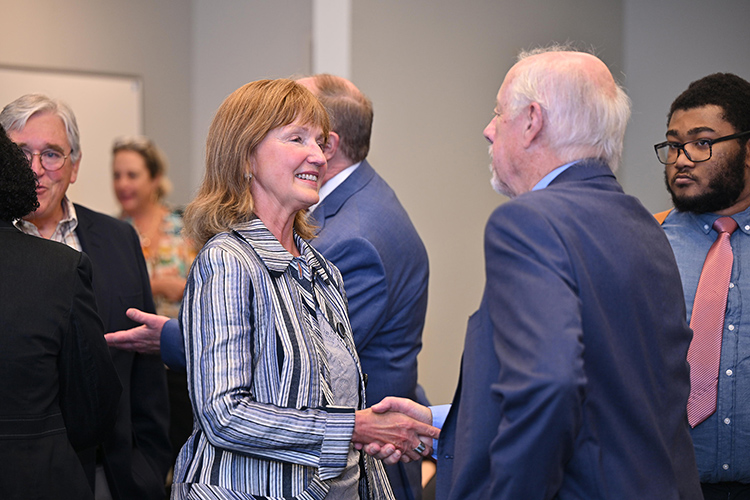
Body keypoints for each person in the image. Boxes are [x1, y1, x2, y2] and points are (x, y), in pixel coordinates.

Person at [372, 46, 703, 499]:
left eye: (497, 113)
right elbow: (616, 392)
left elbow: (551, 385)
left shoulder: (529, 222)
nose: (488, 131)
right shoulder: (643, 223)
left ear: (532, 120)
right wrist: (446, 420)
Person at [106, 74, 431, 499]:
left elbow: (335, 406)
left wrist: (372, 431)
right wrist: (357, 426)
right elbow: (224, 415)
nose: (317, 155)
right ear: (245, 157)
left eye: (318, 140)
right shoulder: (228, 261)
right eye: (297, 138)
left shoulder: (320, 269)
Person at [0, 94, 172, 500]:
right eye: (20, 153)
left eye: (52, 154)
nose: (36, 170)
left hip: (113, 474)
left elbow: (144, 366)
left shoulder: (117, 238)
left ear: (74, 166)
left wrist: (149, 465)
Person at [0, 125, 121, 499]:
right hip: (39, 475)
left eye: (51, 153)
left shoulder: (103, 244)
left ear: (74, 165)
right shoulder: (60, 268)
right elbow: (94, 400)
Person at [655, 73, 750, 500]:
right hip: (666, 488)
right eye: (674, 144)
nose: (681, 159)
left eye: (701, 142)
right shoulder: (645, 244)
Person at [112, 135, 196, 463]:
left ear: (155, 179)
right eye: (117, 175)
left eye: (132, 175)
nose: (122, 184)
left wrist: (182, 287)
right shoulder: (111, 232)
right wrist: (157, 285)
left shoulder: (185, 226)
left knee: (180, 452)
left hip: (179, 361)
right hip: (131, 363)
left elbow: (214, 288)